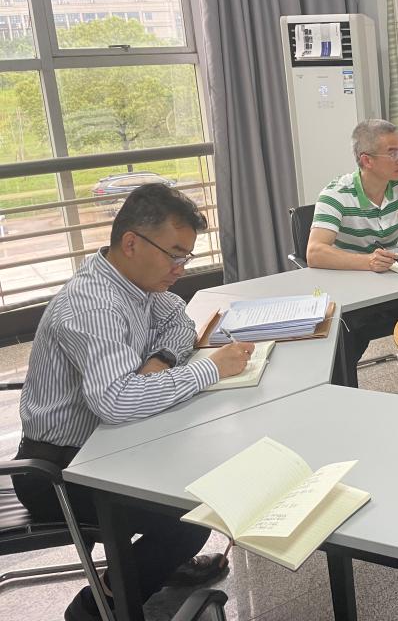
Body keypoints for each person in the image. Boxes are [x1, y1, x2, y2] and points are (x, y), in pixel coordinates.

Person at [15, 183, 254, 621]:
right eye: (174, 255)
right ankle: (98, 606)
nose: (180, 269)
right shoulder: (93, 305)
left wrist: (160, 361)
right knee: (193, 511)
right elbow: (118, 402)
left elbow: (181, 323)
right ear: (131, 243)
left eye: (186, 257)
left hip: (110, 444)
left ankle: (156, 567)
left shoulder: (138, 283)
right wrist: (211, 369)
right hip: (56, 470)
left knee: (200, 466)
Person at [306, 119, 398, 398]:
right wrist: (366, 262)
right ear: (366, 160)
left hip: (394, 278)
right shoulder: (336, 194)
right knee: (347, 336)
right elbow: (315, 252)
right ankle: (344, 398)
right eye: (392, 153)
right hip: (352, 286)